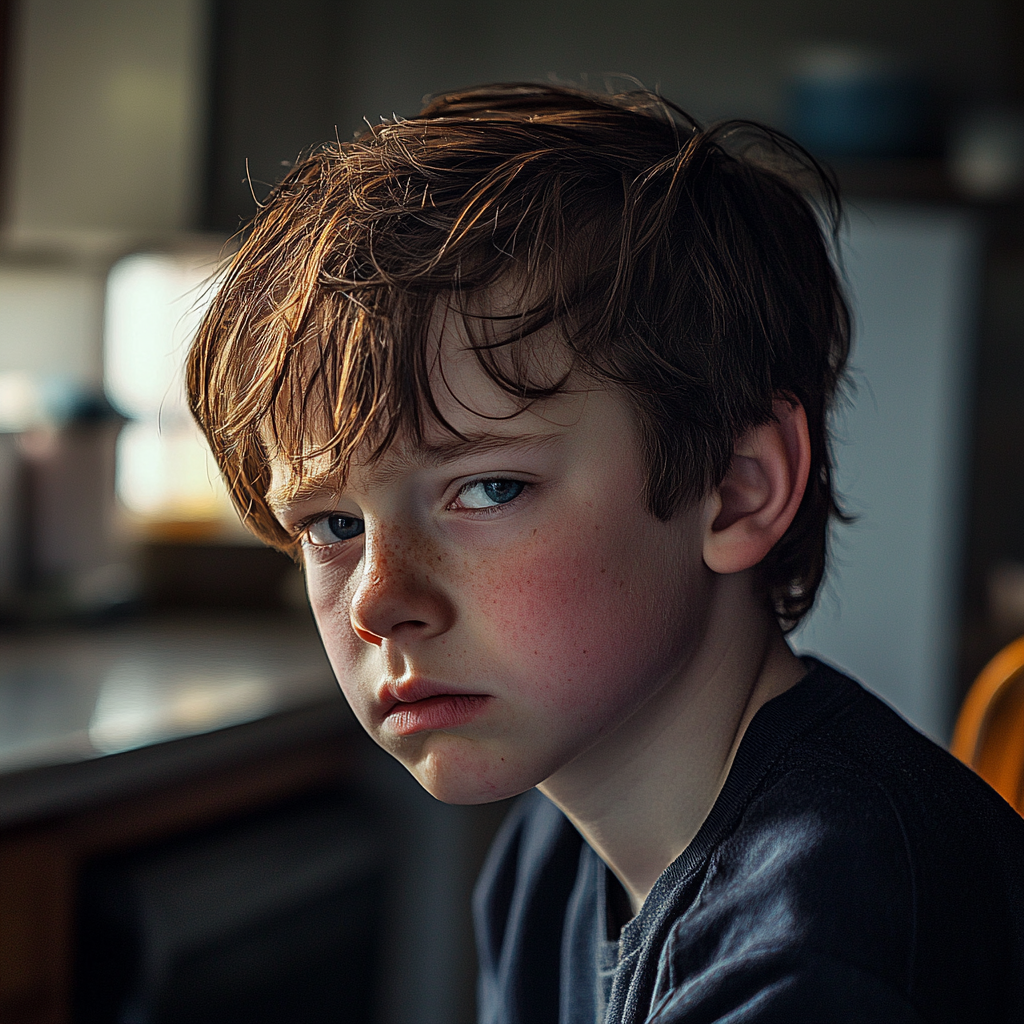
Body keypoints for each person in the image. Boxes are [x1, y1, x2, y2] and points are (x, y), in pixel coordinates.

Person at [186, 83, 1024, 1023]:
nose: (378, 602)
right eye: (334, 526)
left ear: (737, 489)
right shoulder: (549, 853)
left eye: (489, 489)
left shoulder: (831, 937)